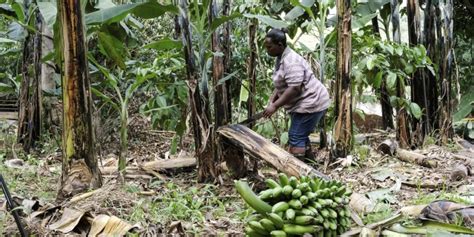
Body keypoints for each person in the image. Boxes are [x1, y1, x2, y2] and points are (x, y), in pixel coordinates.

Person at [263, 28, 330, 160]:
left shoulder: (291, 61)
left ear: (280, 45)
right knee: (300, 134)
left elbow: (294, 88)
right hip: (303, 103)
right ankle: (310, 166)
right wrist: (272, 101)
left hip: (312, 101)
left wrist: (275, 106)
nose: (267, 50)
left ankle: (298, 173)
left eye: (269, 47)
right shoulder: (281, 57)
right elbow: (283, 84)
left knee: (296, 135)